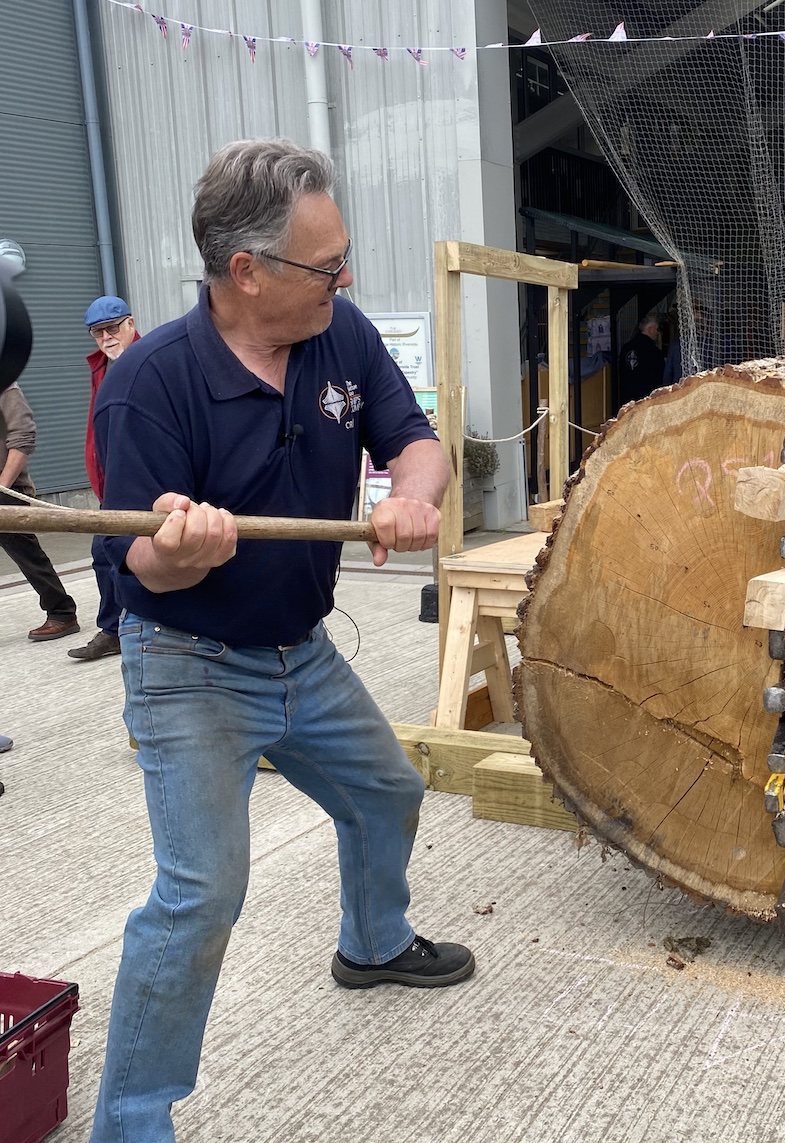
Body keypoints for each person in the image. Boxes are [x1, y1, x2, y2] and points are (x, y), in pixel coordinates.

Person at [89, 139, 473, 1143]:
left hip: (301, 653)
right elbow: (141, 572)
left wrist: (413, 500)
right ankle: (130, 1121)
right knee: (201, 894)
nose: (344, 280)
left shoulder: (337, 334)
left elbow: (416, 444)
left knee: (388, 788)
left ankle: (373, 944)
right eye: (324, 264)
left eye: (342, 258)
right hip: (189, 669)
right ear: (245, 271)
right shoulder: (149, 386)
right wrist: (185, 550)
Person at [68, 296, 140, 661]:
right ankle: (114, 629)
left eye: (112, 328)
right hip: (111, 485)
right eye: (98, 332)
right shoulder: (102, 367)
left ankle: (132, 627)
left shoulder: (151, 361)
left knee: (138, 555)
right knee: (103, 553)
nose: (106, 338)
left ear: (130, 324)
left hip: (146, 483)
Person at [0, 383, 79, 641]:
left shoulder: (6, 387)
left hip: (7, 490)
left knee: (27, 555)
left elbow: (22, 438)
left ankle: (62, 613)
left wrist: (3, 486)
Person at [618, 313, 665, 404]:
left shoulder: (626, 348)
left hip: (626, 397)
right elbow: (659, 377)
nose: (658, 332)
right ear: (650, 330)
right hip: (645, 398)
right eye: (657, 329)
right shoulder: (653, 351)